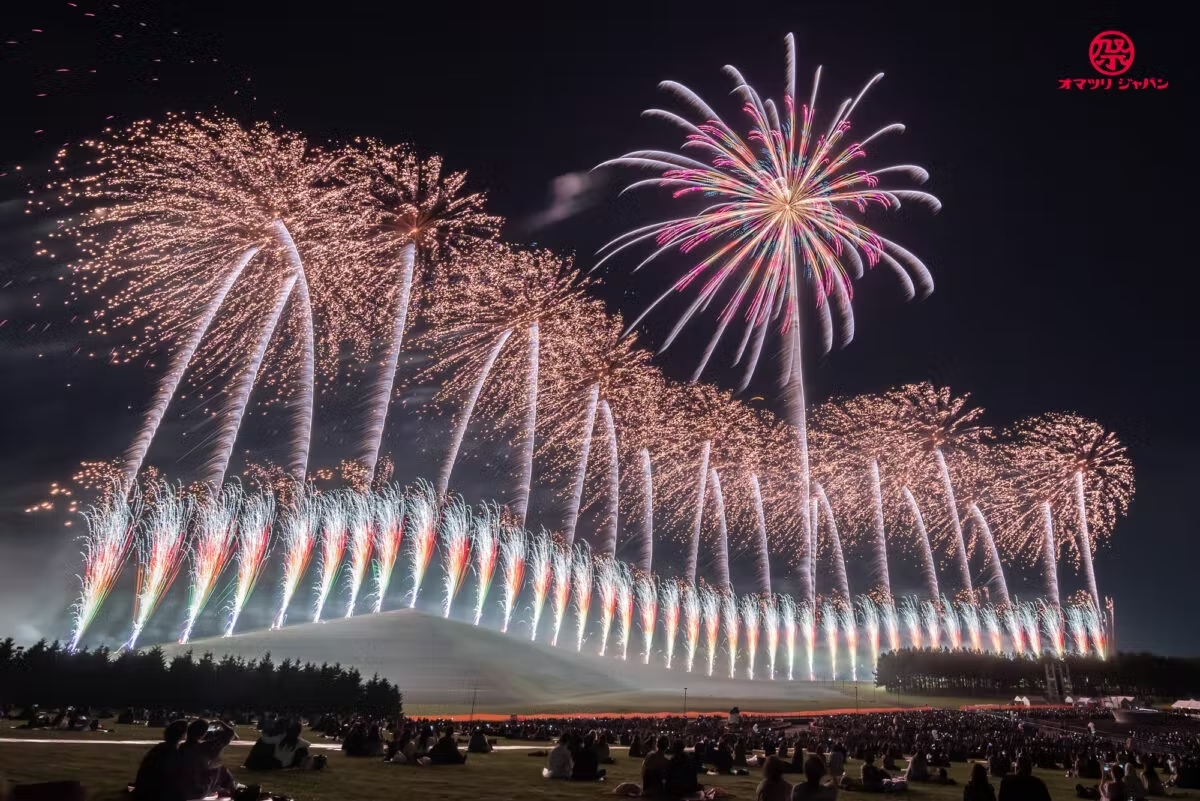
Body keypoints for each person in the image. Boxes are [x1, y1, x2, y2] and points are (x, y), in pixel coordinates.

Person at [174, 718, 238, 801]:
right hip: (197, 791)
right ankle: (234, 792)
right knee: (219, 767)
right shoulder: (206, 747)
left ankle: (223, 789)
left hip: (179, 791)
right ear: (203, 734)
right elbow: (230, 733)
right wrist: (220, 723)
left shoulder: (180, 748)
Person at [132, 719, 187, 801]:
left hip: (144, 789)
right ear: (182, 734)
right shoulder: (171, 752)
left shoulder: (159, 747)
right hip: (154, 793)